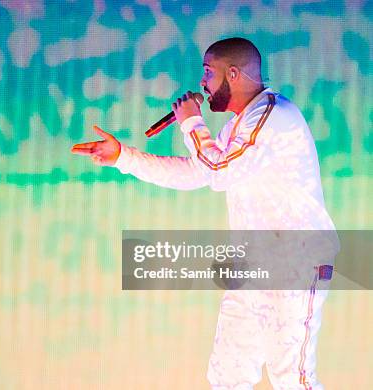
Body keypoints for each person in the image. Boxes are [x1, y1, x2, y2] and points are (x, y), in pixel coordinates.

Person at [72, 38, 336, 389]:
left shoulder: (273, 117)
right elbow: (197, 171)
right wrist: (124, 156)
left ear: (233, 73)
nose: (203, 84)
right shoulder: (240, 126)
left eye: (208, 73)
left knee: (293, 377)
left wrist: (192, 122)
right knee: (229, 374)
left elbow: (218, 171)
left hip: (296, 262)